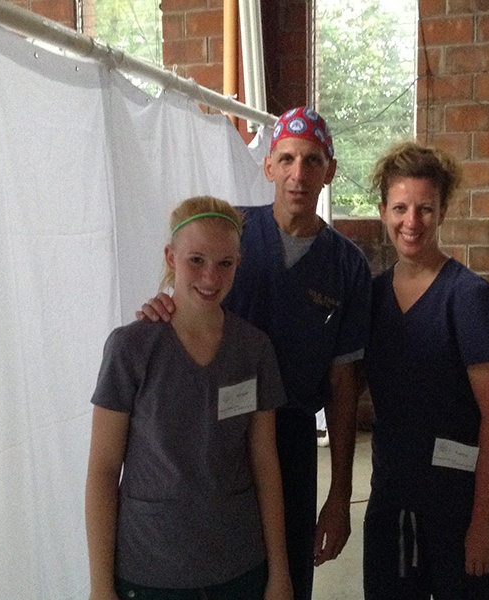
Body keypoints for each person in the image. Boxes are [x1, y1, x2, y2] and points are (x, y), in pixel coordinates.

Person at [137, 107, 372, 600]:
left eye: (312, 161)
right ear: (268, 166)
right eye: (286, 159)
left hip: (288, 436)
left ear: (329, 170)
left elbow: (342, 383)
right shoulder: (234, 234)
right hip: (214, 427)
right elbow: (190, 283)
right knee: (216, 568)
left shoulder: (346, 266)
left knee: (285, 577)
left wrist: (339, 495)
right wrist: (161, 304)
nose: (298, 174)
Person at [85, 196, 293, 600]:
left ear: (238, 263)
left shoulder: (253, 350)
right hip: (151, 568)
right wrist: (100, 586)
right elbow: (104, 469)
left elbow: (265, 463)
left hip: (237, 564)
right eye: (196, 260)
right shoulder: (131, 348)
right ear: (170, 258)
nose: (210, 277)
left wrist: (279, 573)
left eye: (224, 263)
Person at [362, 141, 489, 600]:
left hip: (463, 501)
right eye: (400, 208)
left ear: (443, 210)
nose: (412, 222)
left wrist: (483, 526)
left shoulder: (468, 299)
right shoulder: (372, 298)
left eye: (425, 209)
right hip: (395, 498)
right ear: (383, 210)